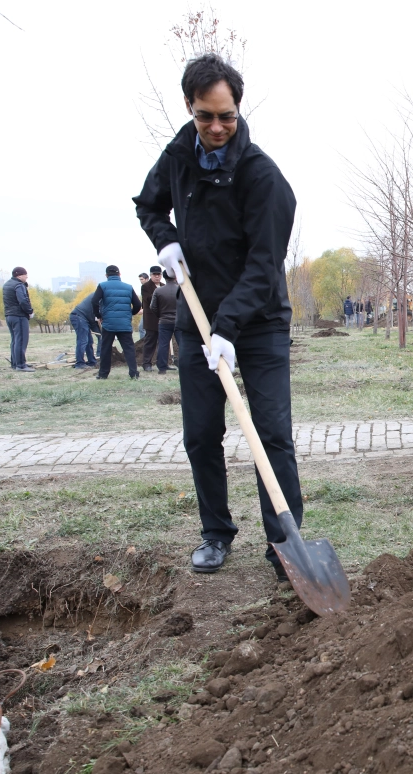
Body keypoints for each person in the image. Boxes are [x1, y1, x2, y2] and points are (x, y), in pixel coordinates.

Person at [133, 53, 302, 582]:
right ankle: (215, 532)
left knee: (272, 435)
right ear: (190, 107)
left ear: (238, 109)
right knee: (202, 434)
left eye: (225, 116)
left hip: (259, 323)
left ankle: (284, 544)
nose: (216, 127)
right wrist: (166, 241)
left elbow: (263, 263)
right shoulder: (179, 154)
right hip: (196, 317)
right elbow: (148, 204)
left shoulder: (264, 177)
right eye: (205, 115)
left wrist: (228, 328)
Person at [92, 266, 142, 380]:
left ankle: (103, 374)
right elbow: (138, 304)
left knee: (106, 348)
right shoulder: (128, 287)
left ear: (106, 275)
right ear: (120, 274)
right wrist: (130, 313)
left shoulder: (102, 286)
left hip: (108, 323)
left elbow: (94, 301)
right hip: (124, 323)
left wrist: (99, 315)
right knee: (129, 348)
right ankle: (133, 373)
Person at [2, 267, 35, 371]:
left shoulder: (7, 285)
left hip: (9, 316)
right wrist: (30, 311)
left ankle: (15, 363)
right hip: (19, 316)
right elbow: (23, 301)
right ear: (19, 275)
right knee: (21, 340)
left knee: (15, 340)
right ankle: (21, 365)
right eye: (25, 275)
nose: (27, 277)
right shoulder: (19, 285)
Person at [150, 271, 180, 374]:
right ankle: (185, 364)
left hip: (164, 321)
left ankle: (162, 368)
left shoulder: (158, 291)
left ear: (164, 278)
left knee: (163, 344)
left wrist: (160, 315)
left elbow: (152, 307)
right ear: (175, 277)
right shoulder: (181, 290)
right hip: (179, 321)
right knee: (183, 344)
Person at [141, 266, 164, 371]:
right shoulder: (146, 286)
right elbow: (149, 299)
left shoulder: (164, 286)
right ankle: (146, 363)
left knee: (163, 343)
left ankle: (162, 364)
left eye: (159, 274)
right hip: (151, 320)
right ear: (150, 275)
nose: (157, 276)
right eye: (155, 274)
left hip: (164, 319)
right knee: (150, 342)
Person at [69, 294, 101, 368]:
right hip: (78, 316)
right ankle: (80, 363)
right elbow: (100, 315)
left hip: (87, 319)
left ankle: (92, 362)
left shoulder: (102, 296)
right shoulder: (99, 296)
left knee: (89, 341)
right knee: (83, 340)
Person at [136, 272, 150, 336]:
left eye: (142, 279)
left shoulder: (150, 287)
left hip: (150, 311)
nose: (140, 281)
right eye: (140, 280)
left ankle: (144, 344)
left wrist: (145, 309)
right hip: (147, 310)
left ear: (147, 279)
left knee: (142, 327)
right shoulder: (144, 287)